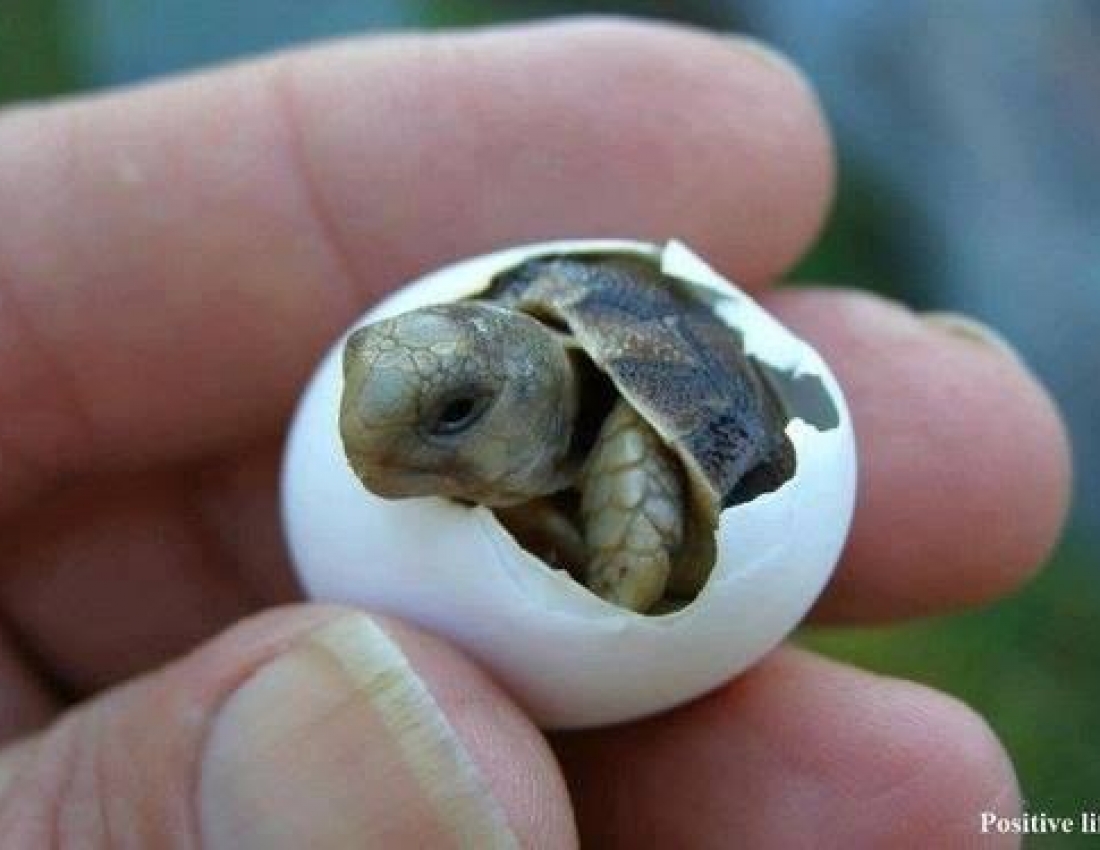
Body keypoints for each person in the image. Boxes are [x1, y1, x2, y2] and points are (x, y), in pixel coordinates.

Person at [0, 18, 1070, 848]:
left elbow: (640, 583)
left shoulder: (630, 431)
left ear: (532, 396)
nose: (369, 449)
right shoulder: (454, 368)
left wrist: (621, 588)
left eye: (453, 417)